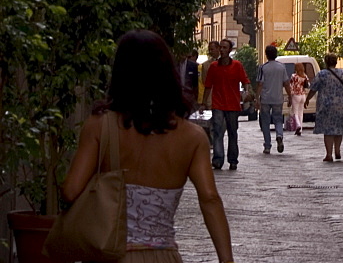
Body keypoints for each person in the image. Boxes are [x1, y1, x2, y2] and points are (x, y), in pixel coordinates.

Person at [61, 30, 234, 263]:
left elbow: (71, 190)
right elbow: (210, 198)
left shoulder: (100, 126)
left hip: (109, 255)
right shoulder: (191, 137)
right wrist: (227, 259)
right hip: (162, 256)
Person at [203, 38, 250, 171]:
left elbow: (245, 80)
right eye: (221, 47)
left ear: (230, 50)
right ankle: (218, 159)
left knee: (232, 133)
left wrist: (246, 92)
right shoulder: (213, 67)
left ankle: (233, 160)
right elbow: (208, 86)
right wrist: (203, 103)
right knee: (217, 132)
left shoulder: (237, 65)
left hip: (233, 105)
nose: (222, 50)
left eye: (225, 48)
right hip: (217, 104)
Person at [304, 52, 343, 162]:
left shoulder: (322, 74)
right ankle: (337, 150)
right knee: (338, 128)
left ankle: (329, 154)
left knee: (328, 130)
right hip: (341, 104)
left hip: (326, 105)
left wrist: (307, 99)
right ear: (336, 62)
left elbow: (313, 88)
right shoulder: (342, 73)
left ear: (326, 62)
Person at [254, 44, 291, 154]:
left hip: (265, 98)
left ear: (266, 55)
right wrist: (290, 96)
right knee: (278, 119)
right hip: (277, 98)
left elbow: (260, 84)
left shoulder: (263, 67)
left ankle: (267, 146)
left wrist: (257, 98)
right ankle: (279, 135)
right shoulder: (281, 67)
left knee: (265, 122)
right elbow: (286, 83)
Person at [288, 63, 309, 136]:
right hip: (303, 95)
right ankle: (301, 129)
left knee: (295, 112)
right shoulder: (305, 76)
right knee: (301, 112)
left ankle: (298, 125)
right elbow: (307, 85)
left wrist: (290, 96)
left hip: (296, 95)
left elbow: (291, 86)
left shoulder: (294, 76)